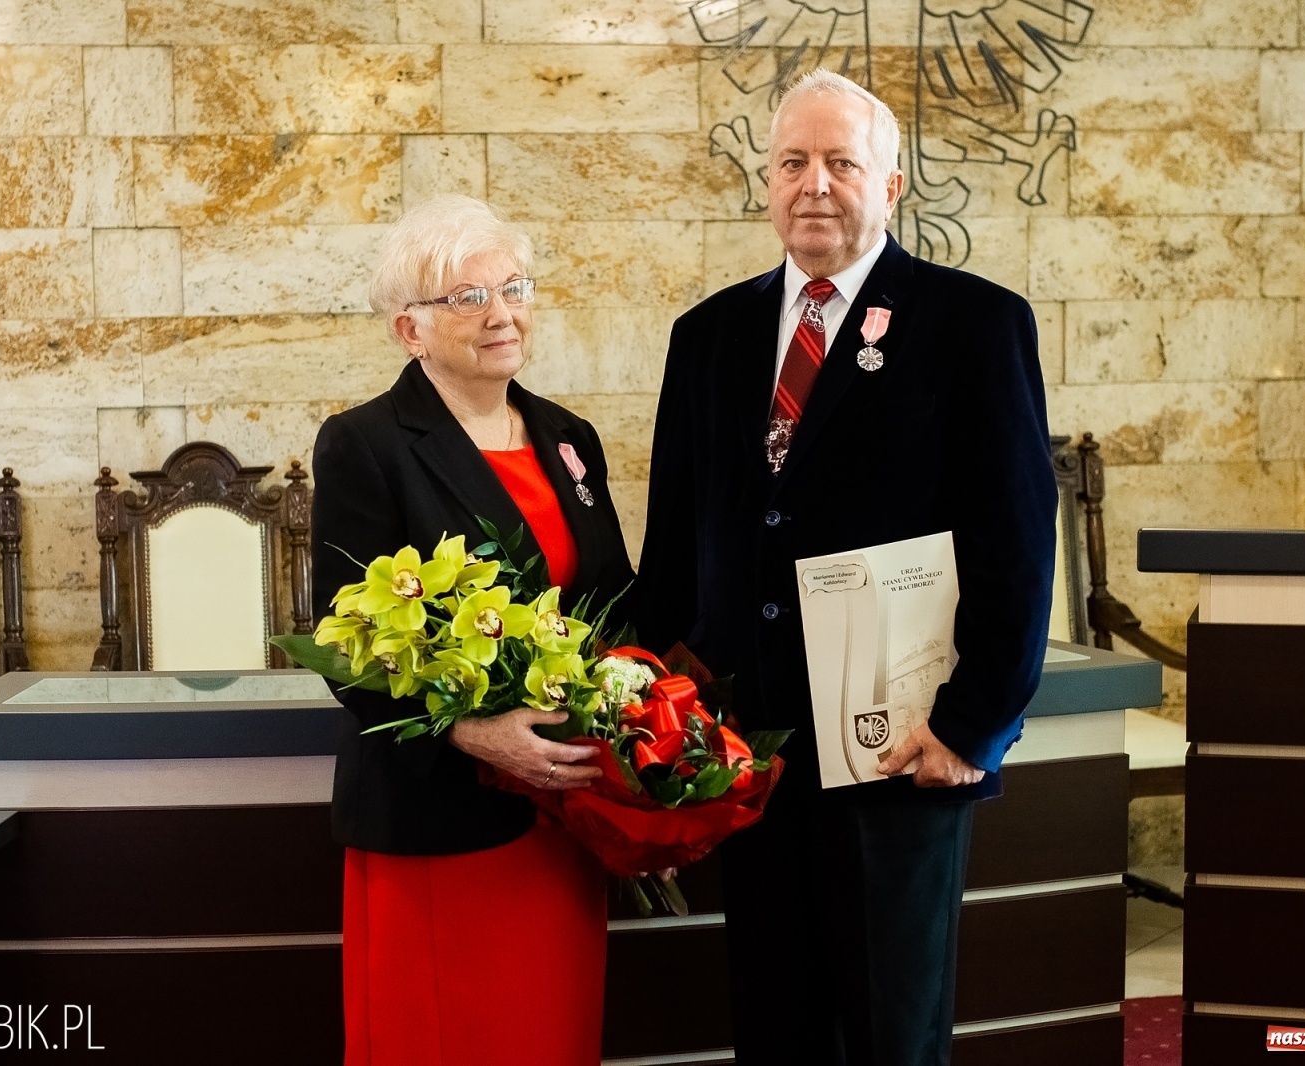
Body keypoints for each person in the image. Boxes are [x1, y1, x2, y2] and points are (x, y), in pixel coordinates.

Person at [636, 69, 1057, 1065]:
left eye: (839, 162)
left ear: (892, 183)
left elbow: (1015, 541)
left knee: (888, 1036)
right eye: (791, 163)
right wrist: (657, 705)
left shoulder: (972, 324)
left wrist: (973, 724)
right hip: (748, 754)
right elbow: (671, 542)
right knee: (773, 1031)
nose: (812, 184)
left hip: (900, 752)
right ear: (767, 181)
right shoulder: (707, 338)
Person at [310, 196, 636, 1066]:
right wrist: (472, 733)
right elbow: (347, 643)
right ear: (409, 328)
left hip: (563, 821)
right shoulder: (365, 445)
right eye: (468, 297)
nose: (502, 314)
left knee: (549, 1034)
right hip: (441, 820)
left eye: (514, 287)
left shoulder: (570, 439)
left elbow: (614, 606)